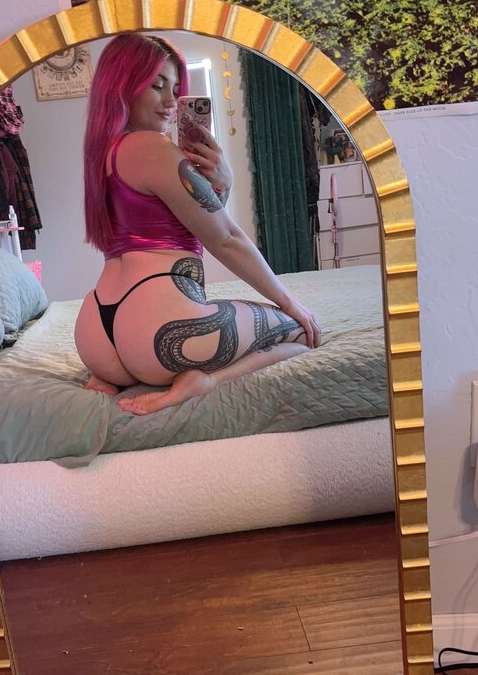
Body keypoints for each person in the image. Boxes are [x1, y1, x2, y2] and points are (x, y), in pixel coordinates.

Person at [74, 32, 321, 416]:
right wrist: (291, 303)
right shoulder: (153, 148)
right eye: (156, 85)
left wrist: (221, 182)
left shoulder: (105, 153)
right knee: (301, 332)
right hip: (159, 333)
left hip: (96, 334)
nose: (171, 101)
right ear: (122, 87)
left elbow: (195, 217)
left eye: (176, 89)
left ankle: (111, 377)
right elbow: (226, 238)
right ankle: (205, 381)